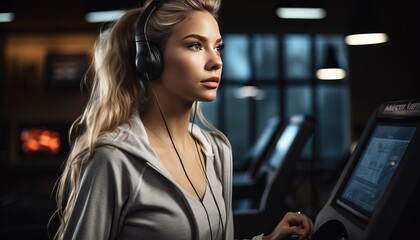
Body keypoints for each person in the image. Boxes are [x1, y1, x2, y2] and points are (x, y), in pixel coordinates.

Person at [51, 0, 314, 239]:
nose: (216, 61)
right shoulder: (114, 159)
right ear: (151, 59)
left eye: (218, 47)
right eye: (195, 45)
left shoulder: (217, 150)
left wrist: (267, 239)